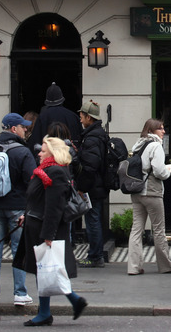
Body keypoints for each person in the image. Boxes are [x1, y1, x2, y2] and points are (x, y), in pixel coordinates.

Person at [12, 137, 88, 326]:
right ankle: (72, 301)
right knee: (47, 270)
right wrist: (26, 215)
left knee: (46, 270)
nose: (38, 153)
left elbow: (54, 207)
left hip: (45, 229)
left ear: (53, 153)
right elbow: (38, 200)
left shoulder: (55, 172)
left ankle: (47, 312)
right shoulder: (46, 171)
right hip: (37, 224)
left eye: (43, 151)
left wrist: (48, 235)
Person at [0, 112, 37, 306]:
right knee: (18, 250)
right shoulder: (23, 152)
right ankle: (20, 293)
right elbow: (32, 182)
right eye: (23, 127)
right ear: (14, 129)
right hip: (17, 208)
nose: (26, 129)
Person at [127, 118, 171, 275]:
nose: (163, 131)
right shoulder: (156, 146)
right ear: (151, 131)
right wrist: (168, 172)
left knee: (136, 229)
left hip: (137, 191)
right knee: (159, 229)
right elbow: (159, 171)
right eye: (160, 129)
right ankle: (166, 265)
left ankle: (133, 267)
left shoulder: (138, 145)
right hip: (152, 191)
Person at [76, 100, 109, 268]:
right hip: (97, 185)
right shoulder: (97, 134)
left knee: (92, 220)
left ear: (89, 117)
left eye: (82, 116)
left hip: (92, 187)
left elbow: (89, 166)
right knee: (93, 219)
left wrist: (82, 188)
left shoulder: (92, 137)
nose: (80, 120)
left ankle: (95, 256)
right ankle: (96, 254)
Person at [28, 82, 81, 154]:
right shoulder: (73, 116)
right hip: (68, 157)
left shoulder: (42, 117)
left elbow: (35, 141)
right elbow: (79, 139)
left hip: (48, 156)